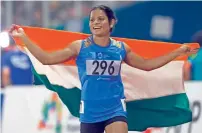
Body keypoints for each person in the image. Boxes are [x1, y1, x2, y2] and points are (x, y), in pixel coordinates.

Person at [9, 5, 198, 133]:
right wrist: (25, 38)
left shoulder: (121, 49)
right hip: (90, 112)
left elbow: (147, 66)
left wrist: (177, 52)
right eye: (92, 20)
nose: (95, 23)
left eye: (100, 19)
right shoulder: (79, 47)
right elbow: (46, 58)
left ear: (111, 23)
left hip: (115, 108)